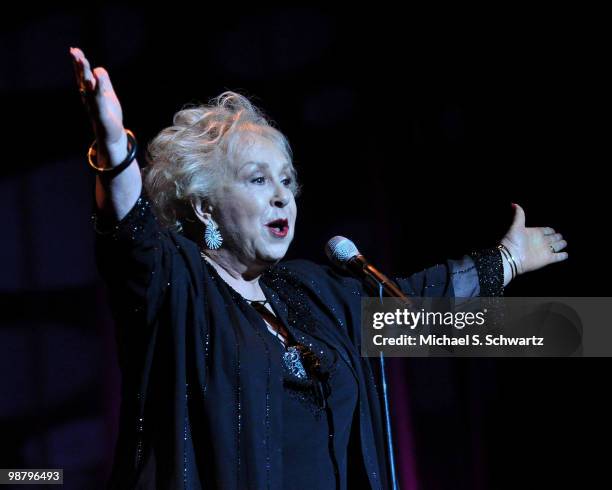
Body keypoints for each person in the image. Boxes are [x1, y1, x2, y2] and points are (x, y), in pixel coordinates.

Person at [69, 46, 568, 490]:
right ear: (204, 205)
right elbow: (132, 237)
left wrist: (512, 263)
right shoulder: (178, 288)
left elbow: (418, 310)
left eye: (286, 181)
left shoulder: (311, 294)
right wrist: (115, 150)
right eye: (258, 179)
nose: (282, 195)